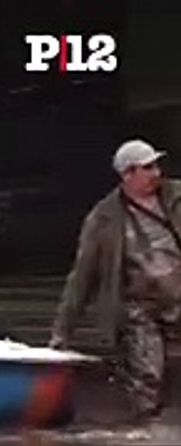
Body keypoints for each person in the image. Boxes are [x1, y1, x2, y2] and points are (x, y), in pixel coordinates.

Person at [50, 138, 181, 421]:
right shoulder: (104, 219)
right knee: (146, 374)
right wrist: (63, 330)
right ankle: (148, 430)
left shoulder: (176, 196)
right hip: (141, 306)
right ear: (128, 174)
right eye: (148, 168)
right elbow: (82, 277)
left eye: (156, 165)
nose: (156, 173)